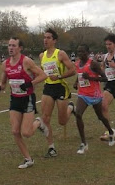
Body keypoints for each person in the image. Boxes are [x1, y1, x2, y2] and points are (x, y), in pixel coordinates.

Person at [0, 37, 48, 169]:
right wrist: (0, 87)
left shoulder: (26, 61)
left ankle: (38, 122)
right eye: (9, 45)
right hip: (15, 99)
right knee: (15, 131)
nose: (11, 48)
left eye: (13, 45)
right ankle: (28, 159)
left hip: (27, 98)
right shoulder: (5, 64)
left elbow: (43, 75)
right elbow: (3, 82)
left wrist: (30, 83)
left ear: (20, 48)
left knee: (27, 133)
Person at [39, 28, 76, 158]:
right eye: (44, 37)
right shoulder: (42, 56)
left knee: (62, 122)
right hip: (48, 88)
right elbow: (43, 72)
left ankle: (71, 108)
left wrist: (59, 76)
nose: (45, 40)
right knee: (45, 118)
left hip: (60, 87)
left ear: (54, 40)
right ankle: (51, 148)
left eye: (48, 37)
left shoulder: (60, 54)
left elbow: (73, 70)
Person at [73, 44, 115, 154]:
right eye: (78, 52)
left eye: (82, 52)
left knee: (100, 116)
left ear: (87, 53)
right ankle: (83, 143)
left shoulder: (93, 64)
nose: (80, 54)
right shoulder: (77, 63)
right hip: (83, 94)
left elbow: (104, 78)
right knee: (78, 114)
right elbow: (80, 75)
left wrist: (90, 78)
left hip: (95, 95)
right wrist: (76, 82)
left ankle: (111, 132)